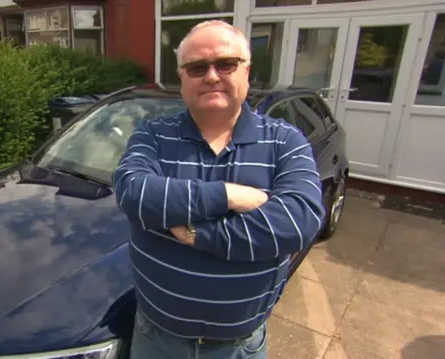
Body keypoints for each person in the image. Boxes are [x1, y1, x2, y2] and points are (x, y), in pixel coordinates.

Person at [112, 20, 326, 359]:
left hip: (239, 348)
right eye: (197, 67)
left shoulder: (284, 140)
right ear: (182, 79)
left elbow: (298, 222)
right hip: (156, 341)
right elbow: (132, 192)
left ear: (247, 72)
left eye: (225, 64)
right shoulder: (152, 135)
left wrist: (196, 233)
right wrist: (229, 195)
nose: (211, 76)